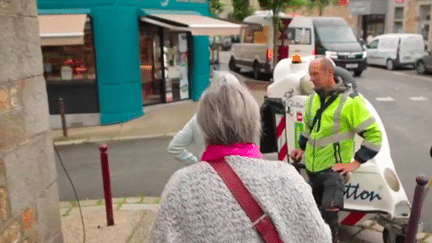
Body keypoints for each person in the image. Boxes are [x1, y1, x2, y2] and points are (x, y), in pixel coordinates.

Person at [151, 76, 332, 242]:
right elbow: (320, 238)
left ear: (204, 129)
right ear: (255, 125)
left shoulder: (181, 187)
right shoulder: (289, 179)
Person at [289, 56, 382, 243]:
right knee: (311, 218)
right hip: (312, 170)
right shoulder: (312, 100)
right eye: (310, 75)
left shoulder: (351, 102)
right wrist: (301, 149)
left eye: (315, 74)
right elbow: (310, 129)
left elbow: (374, 135)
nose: (311, 79)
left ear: (329, 72)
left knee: (329, 213)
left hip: (333, 172)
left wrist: (355, 163)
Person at [167, 71, 240, 164]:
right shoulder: (239, 120)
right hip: (232, 173)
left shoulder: (197, 118)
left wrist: (196, 162)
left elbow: (174, 147)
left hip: (205, 170)